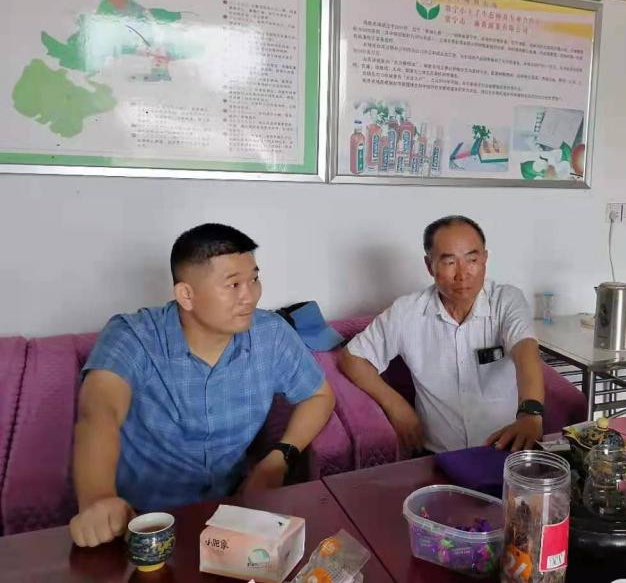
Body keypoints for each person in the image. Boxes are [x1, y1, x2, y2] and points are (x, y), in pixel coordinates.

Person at [69, 224, 335, 547]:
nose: (250, 296)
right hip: (140, 520)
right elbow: (99, 414)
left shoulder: (271, 334)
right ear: (186, 295)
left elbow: (319, 395)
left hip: (232, 512)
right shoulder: (134, 335)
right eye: (233, 284)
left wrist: (278, 459)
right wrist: (98, 500)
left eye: (253, 279)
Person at [337, 215, 545, 454]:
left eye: (472, 260)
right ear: (430, 266)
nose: (462, 274)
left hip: (506, 449)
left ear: (485, 259)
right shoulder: (407, 312)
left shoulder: (506, 300)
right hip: (439, 455)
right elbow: (353, 357)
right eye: (449, 262)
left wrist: (531, 413)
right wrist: (396, 406)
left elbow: (526, 351)